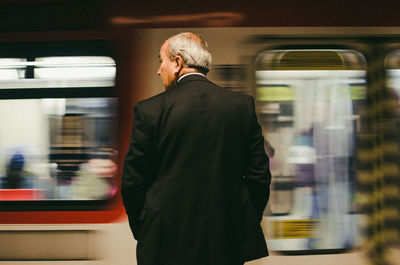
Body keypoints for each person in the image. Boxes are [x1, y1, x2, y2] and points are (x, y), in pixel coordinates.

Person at [121, 32, 271, 265]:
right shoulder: (241, 107)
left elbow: (133, 183)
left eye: (162, 61)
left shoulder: (149, 111)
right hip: (226, 242)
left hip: (165, 244)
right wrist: (240, 220)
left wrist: (148, 228)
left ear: (178, 62)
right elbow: (259, 176)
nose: (158, 70)